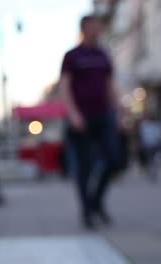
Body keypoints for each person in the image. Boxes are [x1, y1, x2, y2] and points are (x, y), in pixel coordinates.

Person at [60, 15, 121, 229]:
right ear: (84, 29)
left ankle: (95, 201)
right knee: (84, 166)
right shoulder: (72, 56)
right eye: (93, 26)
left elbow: (109, 84)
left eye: (99, 26)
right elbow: (65, 86)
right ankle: (87, 212)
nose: (97, 30)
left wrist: (118, 111)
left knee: (113, 159)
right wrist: (73, 113)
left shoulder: (103, 55)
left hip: (104, 115)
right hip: (81, 118)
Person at [138, 114, 161, 182]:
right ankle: (150, 172)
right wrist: (141, 143)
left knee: (155, 160)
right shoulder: (144, 125)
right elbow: (141, 135)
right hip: (147, 145)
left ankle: (154, 172)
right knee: (149, 159)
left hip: (156, 144)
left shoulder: (158, 125)